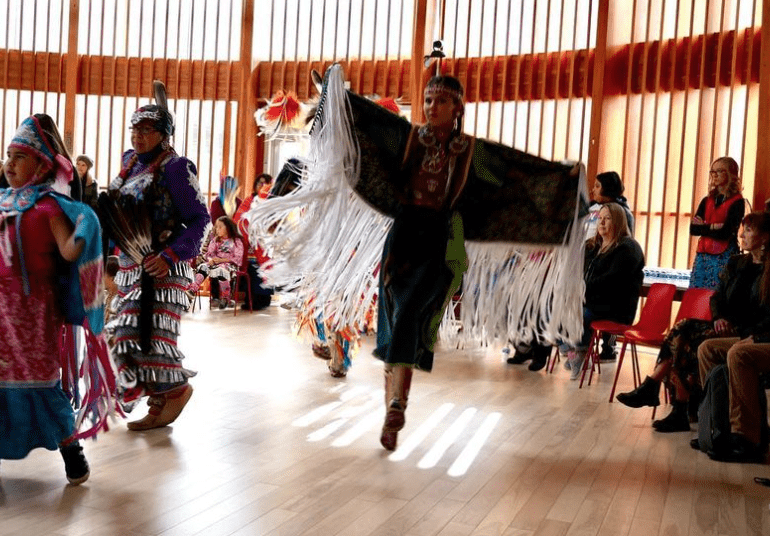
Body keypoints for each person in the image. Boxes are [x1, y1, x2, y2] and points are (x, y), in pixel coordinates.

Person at [0, 114, 105, 484]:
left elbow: (68, 252)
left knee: (40, 383)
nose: (9, 163)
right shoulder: (0, 202)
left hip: (34, 312)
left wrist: (87, 225)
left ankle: (71, 451)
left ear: (42, 164)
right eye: (8, 155)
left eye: (19, 157)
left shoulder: (48, 206)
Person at [374, 76, 474, 450]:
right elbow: (370, 131)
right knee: (395, 320)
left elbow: (512, 175)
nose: (432, 107)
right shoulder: (409, 138)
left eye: (441, 101)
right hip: (402, 238)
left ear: (458, 108)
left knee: (411, 315)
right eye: (428, 100)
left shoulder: (471, 151)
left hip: (440, 240)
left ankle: (397, 404)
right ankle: (392, 409)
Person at [105, 103, 209, 431]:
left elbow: (200, 220)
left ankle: (175, 390)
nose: (137, 136)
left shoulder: (177, 168)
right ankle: (160, 400)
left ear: (164, 135)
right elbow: (117, 217)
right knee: (126, 337)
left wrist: (170, 256)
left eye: (146, 130)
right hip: (130, 265)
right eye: (134, 130)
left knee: (143, 337)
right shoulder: (129, 162)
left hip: (164, 267)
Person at [696, 211, 770, 462]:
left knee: (738, 353)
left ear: (766, 237)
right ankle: (719, 426)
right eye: (743, 229)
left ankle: (746, 437)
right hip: (744, 332)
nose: (742, 234)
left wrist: (758, 337)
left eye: (750, 230)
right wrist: (720, 318)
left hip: (762, 337)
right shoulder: (739, 263)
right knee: (707, 348)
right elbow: (717, 297)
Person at [562, 203, 645, 380]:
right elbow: (574, 269)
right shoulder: (592, 245)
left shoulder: (627, 248)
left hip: (614, 306)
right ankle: (575, 355)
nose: (602, 223)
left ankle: (581, 355)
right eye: (600, 218)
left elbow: (611, 281)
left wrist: (580, 288)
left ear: (619, 222)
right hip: (590, 299)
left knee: (578, 313)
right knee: (556, 310)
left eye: (608, 219)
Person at [689, 157, 746, 289]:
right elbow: (693, 230)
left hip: (723, 255)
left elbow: (725, 233)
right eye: (712, 172)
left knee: (716, 294)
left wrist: (704, 226)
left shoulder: (738, 202)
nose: (714, 175)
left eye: (719, 171)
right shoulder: (706, 200)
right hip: (702, 254)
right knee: (696, 294)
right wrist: (714, 226)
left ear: (731, 174)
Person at [190, 216, 244, 309]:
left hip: (230, 265)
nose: (217, 229)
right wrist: (211, 259)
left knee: (221, 269)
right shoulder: (215, 240)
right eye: (216, 227)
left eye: (220, 227)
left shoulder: (236, 241)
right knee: (203, 267)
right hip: (216, 263)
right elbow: (209, 254)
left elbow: (238, 258)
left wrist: (222, 260)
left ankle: (225, 298)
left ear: (227, 227)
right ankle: (192, 290)